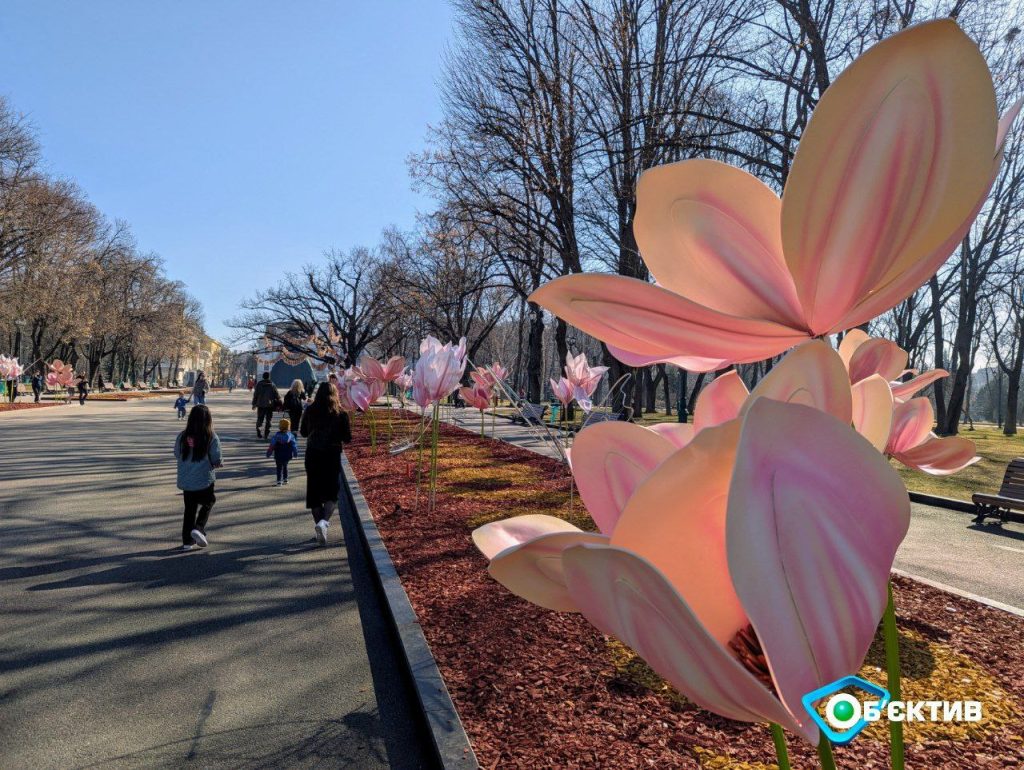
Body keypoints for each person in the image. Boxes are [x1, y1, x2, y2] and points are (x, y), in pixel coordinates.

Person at [299, 382, 352, 545]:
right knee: (331, 492)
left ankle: (319, 526)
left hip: (313, 453)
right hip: (332, 454)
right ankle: (324, 523)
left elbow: (303, 432)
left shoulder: (310, 410)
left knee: (314, 492)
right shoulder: (341, 413)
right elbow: (347, 438)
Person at [174, 404, 222, 551]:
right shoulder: (211, 436)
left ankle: (187, 542)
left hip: (186, 479)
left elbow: (177, 453)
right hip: (204, 479)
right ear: (208, 419)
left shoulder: (182, 436)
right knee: (209, 501)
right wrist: (216, 463)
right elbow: (216, 457)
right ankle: (199, 527)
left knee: (189, 509)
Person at [266, 417, 299, 486]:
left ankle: (279, 481)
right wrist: (295, 453)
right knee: (285, 466)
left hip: (278, 453)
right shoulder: (291, 436)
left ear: (280, 426)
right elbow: (294, 445)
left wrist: (269, 453)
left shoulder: (276, 436)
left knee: (279, 468)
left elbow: (272, 445)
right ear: (288, 427)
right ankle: (285, 479)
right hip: (287, 454)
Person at [251, 372, 281, 439]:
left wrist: (254, 404)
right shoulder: (272, 385)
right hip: (270, 406)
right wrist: (280, 403)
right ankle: (266, 434)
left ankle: (259, 429)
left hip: (260, 405)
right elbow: (277, 395)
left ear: (263, 377)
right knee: (268, 420)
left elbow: (255, 395)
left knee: (260, 419)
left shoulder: (259, 384)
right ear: (269, 377)